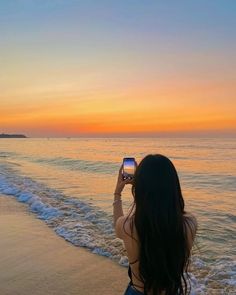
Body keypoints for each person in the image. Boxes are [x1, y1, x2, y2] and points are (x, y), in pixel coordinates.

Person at [113, 154, 197, 295]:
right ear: (173, 186)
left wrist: (118, 193)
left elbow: (117, 228)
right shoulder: (189, 224)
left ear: (140, 188)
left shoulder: (127, 226)